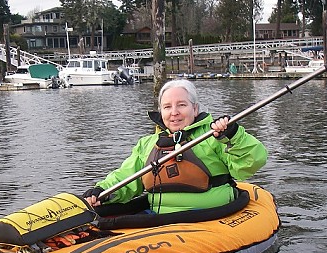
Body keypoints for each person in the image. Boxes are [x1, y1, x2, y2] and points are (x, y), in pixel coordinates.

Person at [84, 79, 267, 214]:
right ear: (161, 112)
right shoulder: (148, 144)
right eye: (167, 107)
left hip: (211, 215)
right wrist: (102, 191)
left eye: (181, 105)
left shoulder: (213, 136)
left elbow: (252, 162)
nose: (174, 113)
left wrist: (234, 135)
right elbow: (127, 176)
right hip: (161, 217)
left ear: (194, 109)